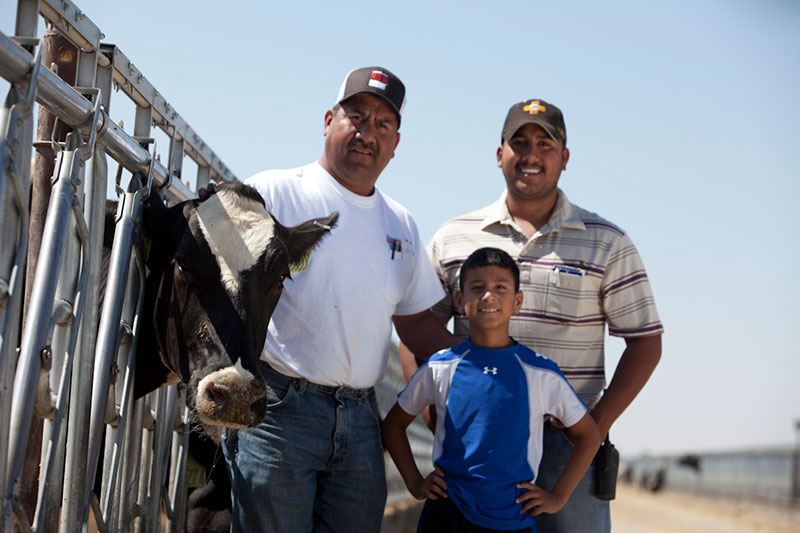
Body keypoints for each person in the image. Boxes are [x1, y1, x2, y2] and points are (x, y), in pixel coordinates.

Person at [400, 98, 663, 532]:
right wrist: (437, 415)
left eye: (545, 143)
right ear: (499, 153)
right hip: (476, 446)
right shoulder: (453, 237)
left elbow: (645, 342)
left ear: (564, 157)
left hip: (566, 446)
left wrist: (594, 428)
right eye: (519, 142)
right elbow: (416, 325)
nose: (531, 154)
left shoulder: (607, 242)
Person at [223, 66, 459, 532]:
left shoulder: (402, 225)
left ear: (395, 144)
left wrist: (492, 363)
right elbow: (214, 284)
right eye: (357, 116)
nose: (367, 132)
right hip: (279, 409)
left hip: (359, 419)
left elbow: (416, 328)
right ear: (329, 120)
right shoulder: (274, 192)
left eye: (383, 125)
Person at [383, 247, 602, 532]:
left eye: (501, 287)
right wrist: (414, 482)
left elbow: (589, 435)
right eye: (477, 287)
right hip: (448, 513)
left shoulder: (540, 373)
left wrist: (558, 497)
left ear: (517, 301)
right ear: (460, 301)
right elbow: (393, 426)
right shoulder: (441, 366)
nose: (489, 295)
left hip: (514, 518)